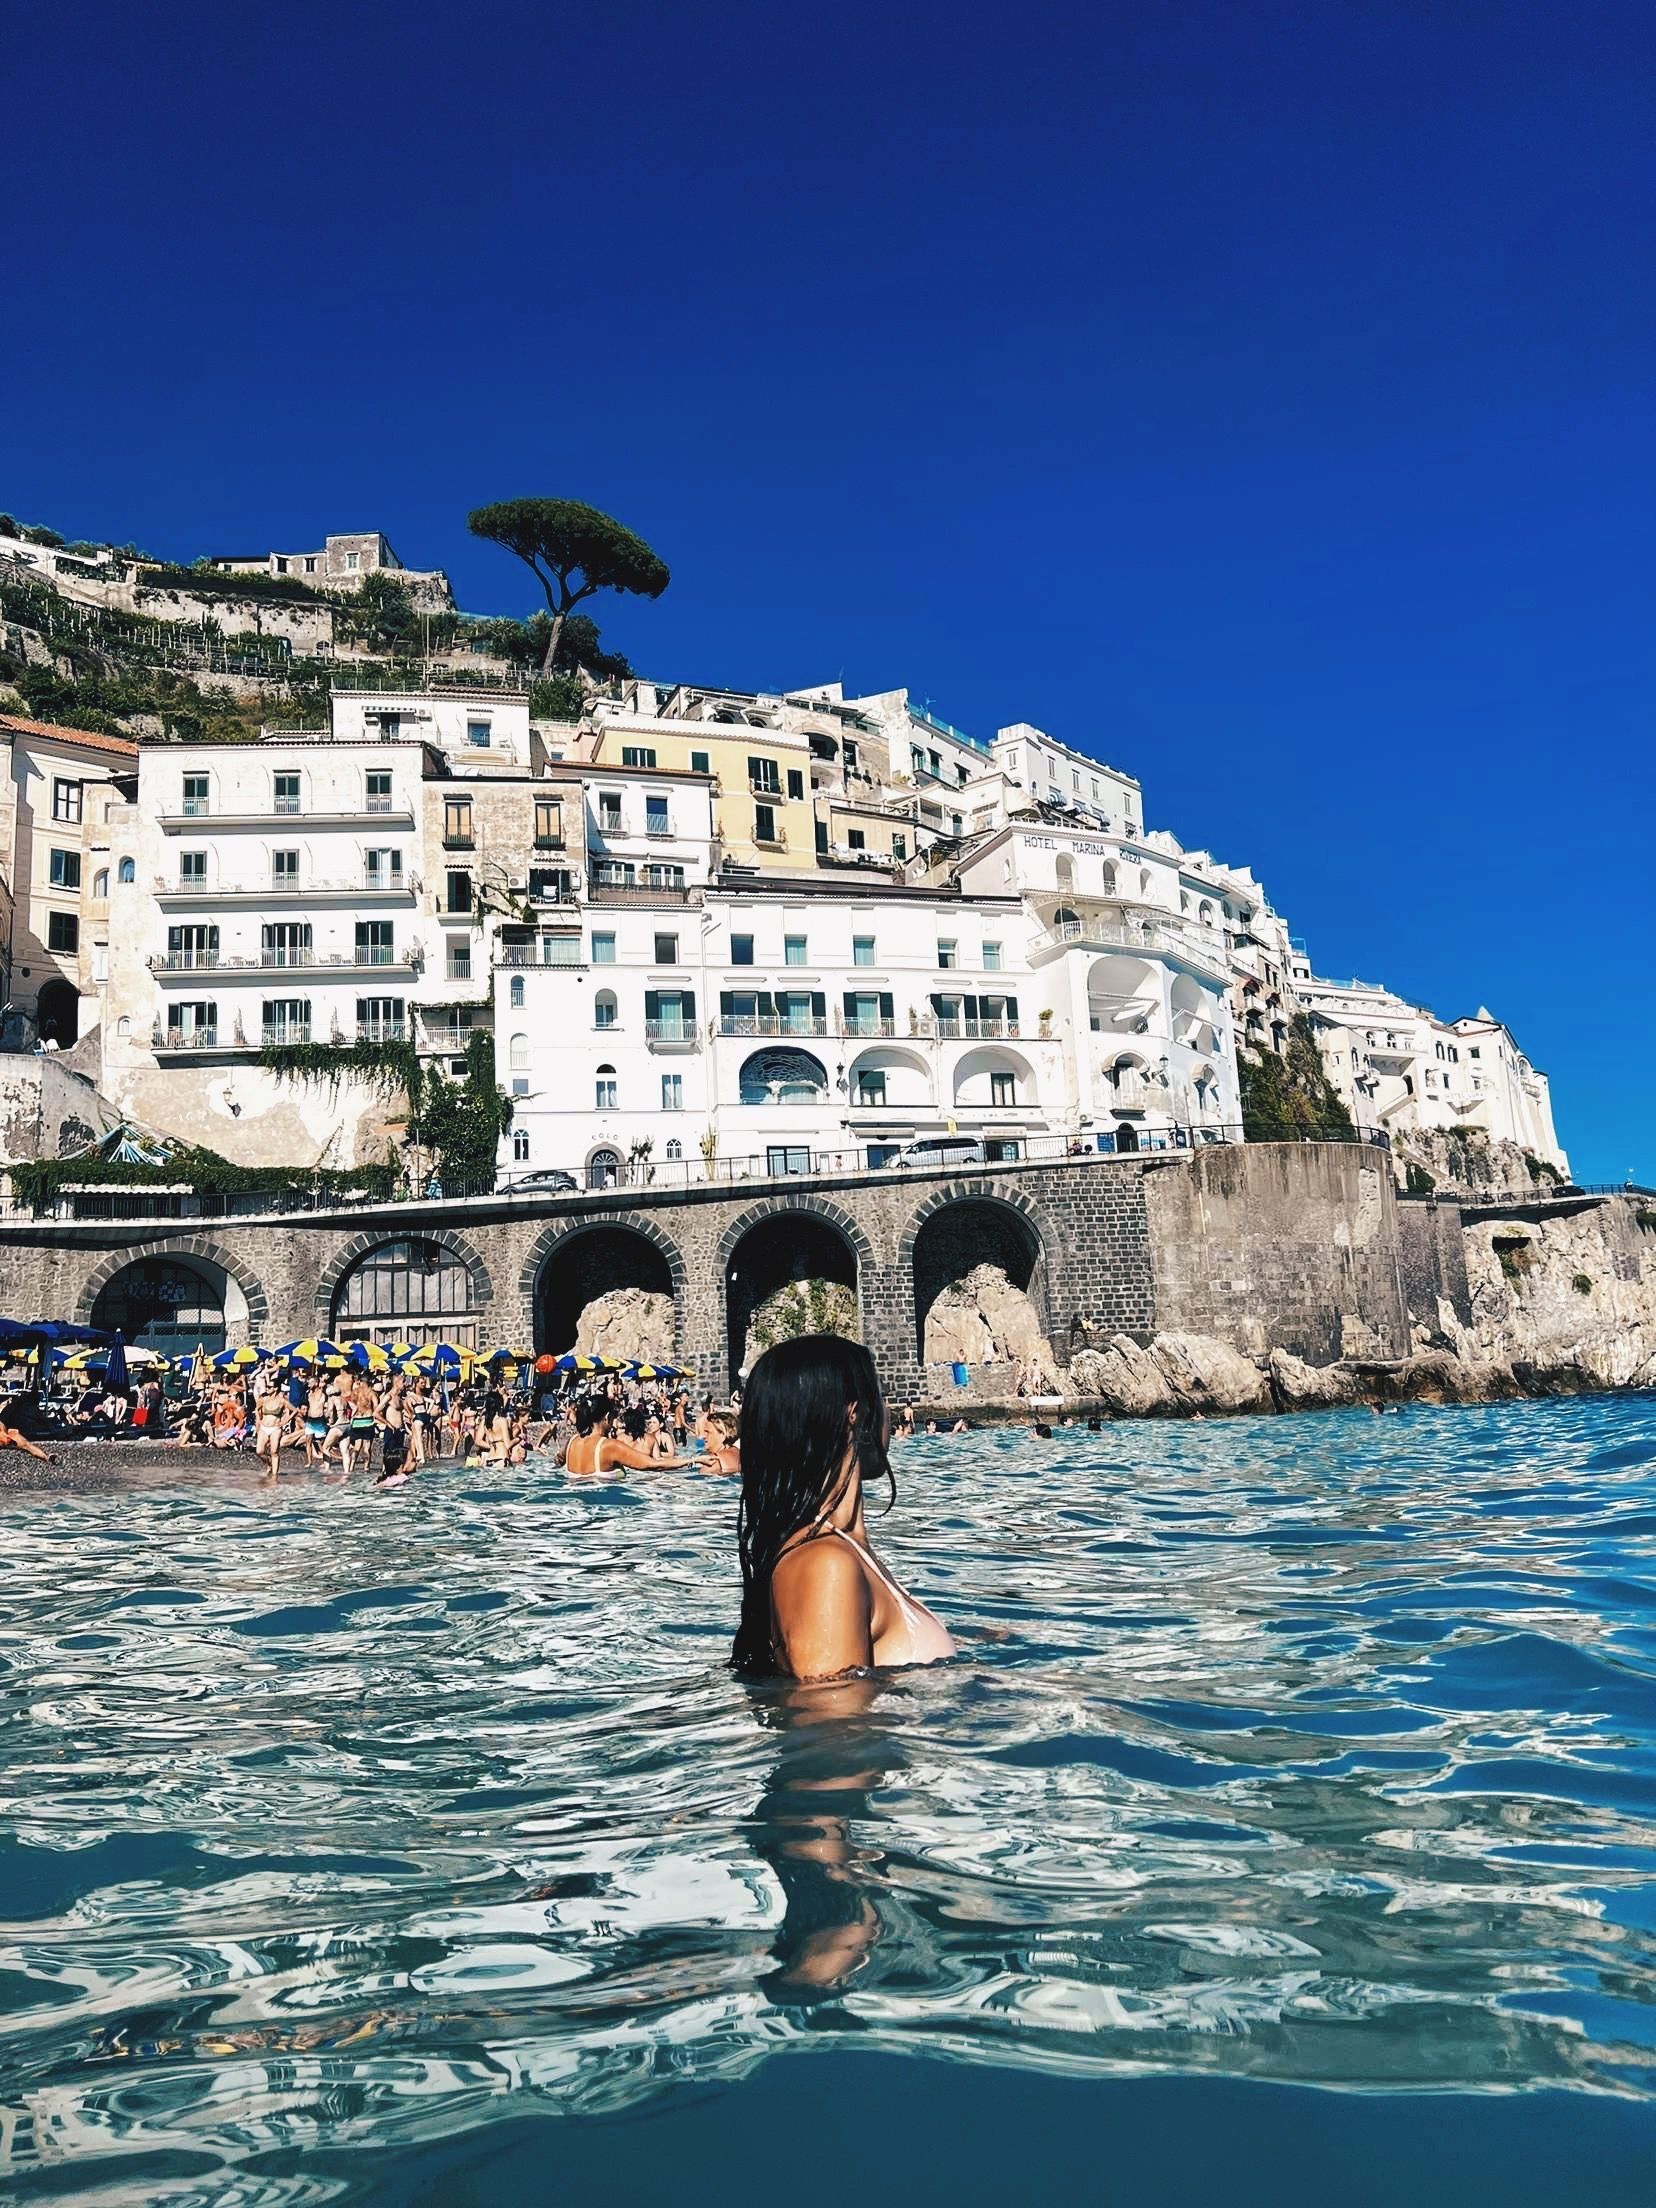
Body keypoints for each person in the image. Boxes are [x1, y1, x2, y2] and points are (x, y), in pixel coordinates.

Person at [732, 1335, 956, 1681]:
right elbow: (833, 1729)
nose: (889, 1412)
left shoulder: (844, 1551)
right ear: (855, 1413)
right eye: (881, 1396)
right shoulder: (824, 1564)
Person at [564, 1395, 682, 1476]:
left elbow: (558, 1460)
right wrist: (693, 1460)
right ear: (607, 1417)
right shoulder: (609, 1446)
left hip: (572, 1509)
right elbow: (654, 1465)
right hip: (601, 1509)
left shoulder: (572, 1441)